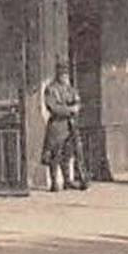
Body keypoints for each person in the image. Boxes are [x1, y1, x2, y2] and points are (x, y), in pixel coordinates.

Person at [42, 61, 87, 191]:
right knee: (55, 154)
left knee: (69, 153)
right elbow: (53, 107)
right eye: (63, 73)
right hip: (57, 125)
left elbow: (77, 100)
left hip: (70, 124)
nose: (65, 76)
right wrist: (70, 109)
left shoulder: (69, 88)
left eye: (66, 74)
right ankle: (54, 182)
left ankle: (68, 180)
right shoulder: (51, 89)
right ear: (58, 74)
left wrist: (75, 106)